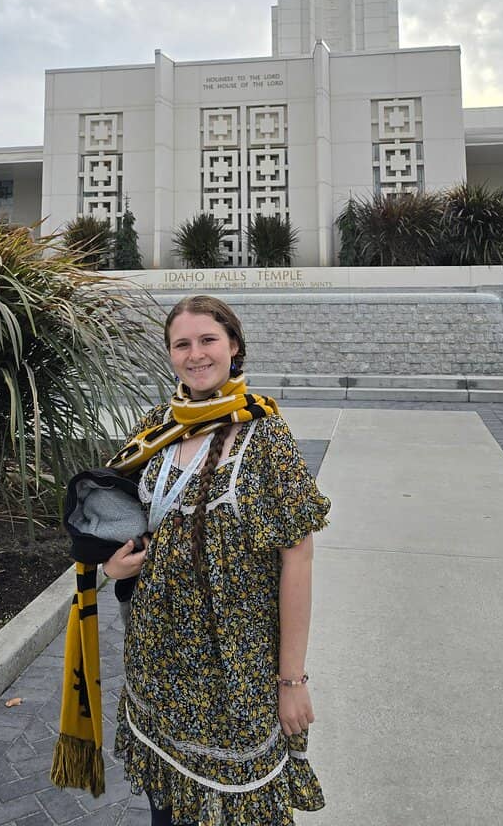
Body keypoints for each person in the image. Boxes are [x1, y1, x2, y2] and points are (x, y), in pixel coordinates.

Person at [104, 294, 331, 826]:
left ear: (233, 346)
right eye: (181, 344)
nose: (196, 354)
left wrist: (291, 680)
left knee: (241, 810)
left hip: (237, 665)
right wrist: (112, 567)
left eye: (208, 340)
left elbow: (297, 558)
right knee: (168, 810)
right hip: (159, 661)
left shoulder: (265, 434)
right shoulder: (157, 427)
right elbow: (118, 519)